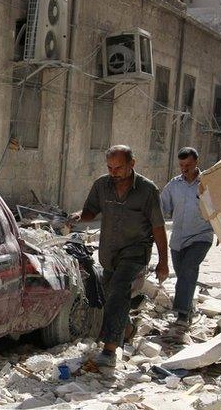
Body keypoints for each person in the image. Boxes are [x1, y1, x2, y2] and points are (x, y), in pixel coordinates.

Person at [70, 145, 169, 368]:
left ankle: (110, 349)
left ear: (132, 164)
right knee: (110, 296)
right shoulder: (101, 185)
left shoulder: (147, 190)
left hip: (135, 252)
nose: (114, 172)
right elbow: (90, 211)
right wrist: (78, 216)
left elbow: (158, 227)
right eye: (110, 168)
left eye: (119, 168)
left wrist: (163, 262)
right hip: (109, 253)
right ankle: (128, 328)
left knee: (118, 291)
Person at [160, 147, 214, 326]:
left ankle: (182, 315)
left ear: (196, 163)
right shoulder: (174, 185)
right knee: (183, 275)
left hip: (201, 236)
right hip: (178, 240)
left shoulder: (208, 183)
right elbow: (161, 207)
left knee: (189, 269)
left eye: (188, 165)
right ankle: (189, 308)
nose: (184, 168)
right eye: (182, 165)